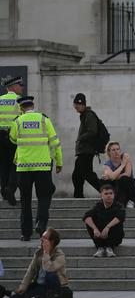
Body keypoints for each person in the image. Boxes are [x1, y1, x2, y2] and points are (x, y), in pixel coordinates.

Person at [10, 96, 63, 241]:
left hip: (23, 168)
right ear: (34, 105)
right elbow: (55, 143)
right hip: (43, 167)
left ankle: (26, 233)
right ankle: (41, 223)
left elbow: (12, 139)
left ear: (21, 108)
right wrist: (59, 162)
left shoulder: (18, 121)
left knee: (25, 200)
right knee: (44, 197)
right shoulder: (44, 120)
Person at [10, 228, 69, 298]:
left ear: (51, 241)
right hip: (39, 286)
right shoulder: (39, 252)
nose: (41, 239)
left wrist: (46, 252)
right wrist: (23, 287)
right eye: (42, 236)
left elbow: (48, 269)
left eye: (44, 237)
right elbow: (31, 270)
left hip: (51, 288)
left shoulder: (60, 256)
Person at [83, 183, 126, 258]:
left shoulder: (119, 206)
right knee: (90, 222)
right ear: (101, 195)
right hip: (100, 236)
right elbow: (86, 217)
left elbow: (121, 216)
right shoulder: (98, 206)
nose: (109, 195)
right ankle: (100, 248)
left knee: (117, 222)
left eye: (111, 193)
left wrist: (107, 227)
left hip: (115, 237)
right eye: (106, 194)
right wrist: (95, 229)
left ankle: (110, 248)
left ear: (114, 195)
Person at [71, 93, 101, 198]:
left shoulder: (89, 115)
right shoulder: (84, 115)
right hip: (84, 150)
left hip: (87, 151)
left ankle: (107, 191)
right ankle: (78, 196)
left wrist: (80, 138)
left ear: (81, 104)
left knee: (88, 175)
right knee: (77, 175)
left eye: (76, 105)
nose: (75, 107)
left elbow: (92, 131)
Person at [0, 75, 23, 206]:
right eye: (20, 85)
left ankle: (4, 193)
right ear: (13, 86)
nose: (21, 88)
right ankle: (10, 189)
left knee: (3, 165)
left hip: (0, 137)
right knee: (14, 164)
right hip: (13, 137)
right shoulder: (20, 101)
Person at [101, 141, 135, 208]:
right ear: (109, 152)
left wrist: (113, 176)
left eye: (117, 149)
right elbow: (111, 178)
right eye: (113, 150)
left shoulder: (125, 157)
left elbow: (127, 174)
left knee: (124, 179)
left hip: (129, 185)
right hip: (117, 187)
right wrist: (122, 165)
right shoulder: (107, 165)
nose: (116, 151)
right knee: (103, 181)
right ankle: (108, 202)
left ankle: (133, 201)